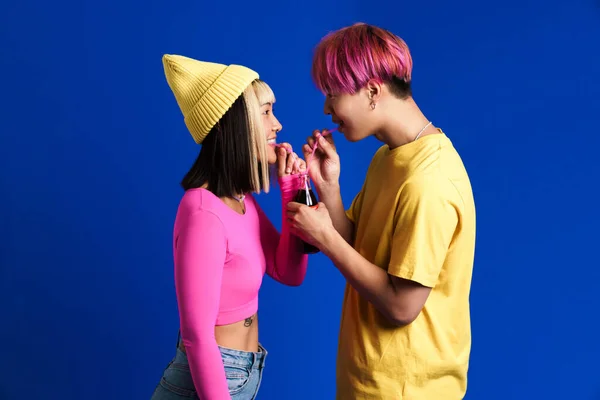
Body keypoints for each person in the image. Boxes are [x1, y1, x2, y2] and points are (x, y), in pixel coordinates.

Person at [286, 23, 476, 399]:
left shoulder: (429, 181)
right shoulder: (388, 157)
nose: (326, 108)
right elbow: (363, 249)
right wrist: (329, 189)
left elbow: (402, 305)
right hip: (368, 385)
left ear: (372, 90)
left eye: (332, 92)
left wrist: (324, 236)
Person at [152, 54, 309, 400]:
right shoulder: (202, 212)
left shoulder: (242, 202)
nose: (277, 125)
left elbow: (289, 271)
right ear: (234, 122)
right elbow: (196, 336)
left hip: (242, 373)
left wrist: (289, 191)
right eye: (266, 112)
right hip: (207, 383)